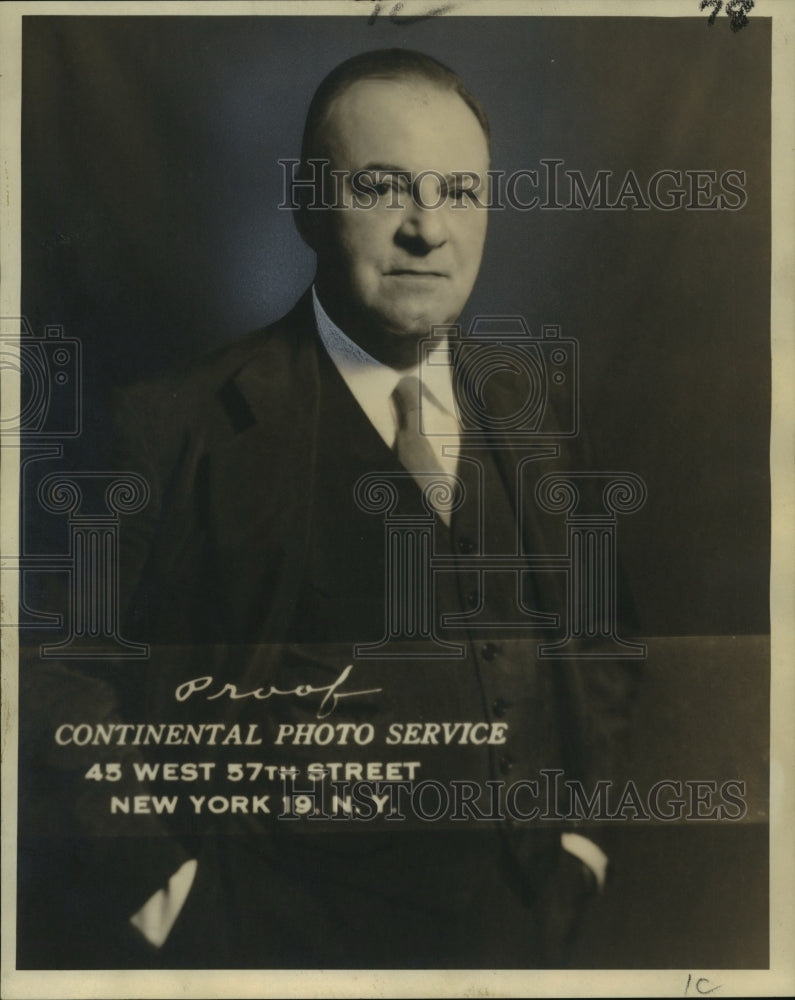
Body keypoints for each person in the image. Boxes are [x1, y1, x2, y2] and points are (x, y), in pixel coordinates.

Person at [22, 48, 640, 970]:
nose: (427, 229)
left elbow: (602, 643)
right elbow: (50, 672)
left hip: (518, 937)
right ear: (308, 206)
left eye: (459, 191)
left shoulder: (536, 411)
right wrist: (163, 890)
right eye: (383, 187)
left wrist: (583, 844)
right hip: (272, 949)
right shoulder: (172, 424)